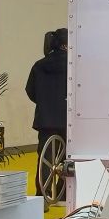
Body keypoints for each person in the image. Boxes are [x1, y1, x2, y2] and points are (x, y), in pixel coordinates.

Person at [27, 28, 68, 198]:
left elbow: (30, 90)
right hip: (68, 119)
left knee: (45, 159)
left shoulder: (39, 65)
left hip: (45, 119)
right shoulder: (73, 65)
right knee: (67, 158)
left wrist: (45, 104)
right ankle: (63, 193)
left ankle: (42, 195)